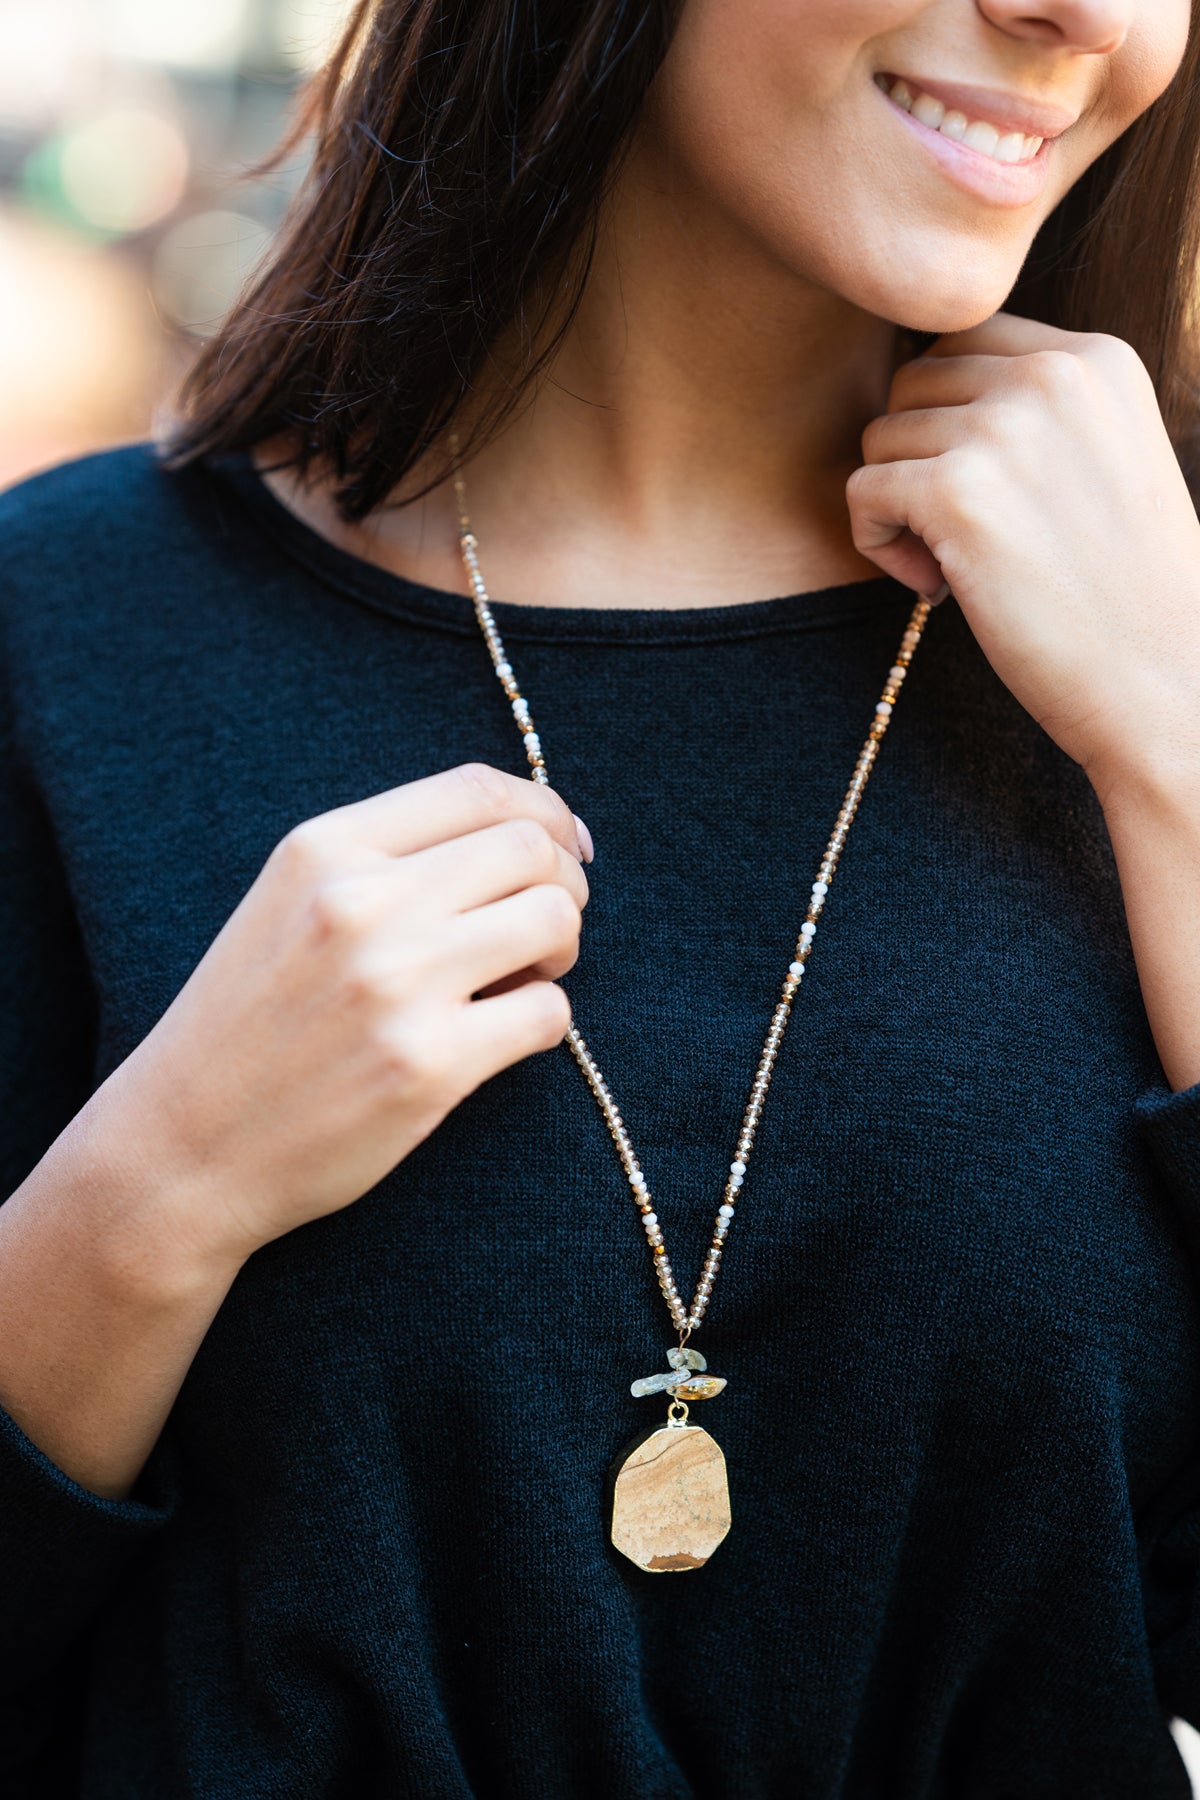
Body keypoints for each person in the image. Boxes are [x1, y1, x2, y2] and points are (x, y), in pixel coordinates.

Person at [3, 0, 1200, 1792]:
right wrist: (150, 1195)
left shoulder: (1162, 636)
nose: (1085, 14)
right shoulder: (65, 630)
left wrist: (1177, 749)